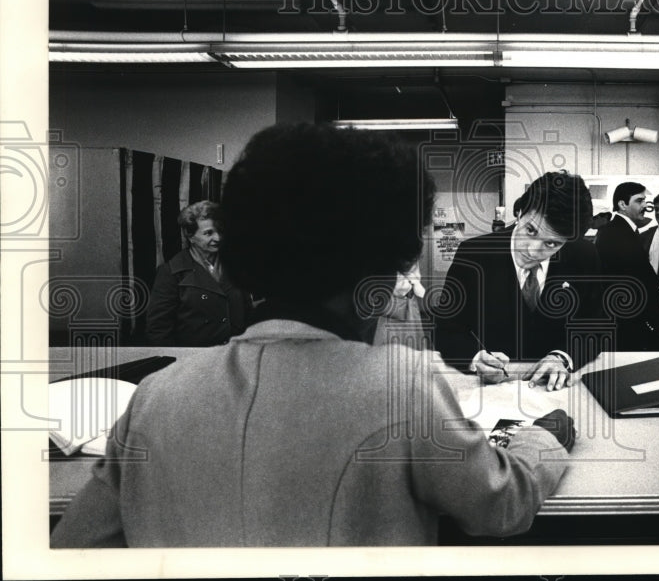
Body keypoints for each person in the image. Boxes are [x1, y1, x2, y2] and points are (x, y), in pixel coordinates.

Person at [51, 124, 573, 547]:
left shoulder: (155, 397)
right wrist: (546, 436)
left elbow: (73, 546)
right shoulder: (402, 390)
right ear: (377, 285)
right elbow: (501, 506)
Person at [433, 171, 603, 391]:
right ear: (520, 211)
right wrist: (475, 358)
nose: (532, 251)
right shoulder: (474, 254)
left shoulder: (583, 255)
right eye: (530, 230)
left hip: (558, 387)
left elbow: (596, 327)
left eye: (551, 244)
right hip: (489, 389)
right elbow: (446, 328)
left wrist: (563, 357)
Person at [145, 201, 251, 346]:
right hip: (196, 361)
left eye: (219, 231)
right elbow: (158, 331)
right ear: (190, 236)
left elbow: (248, 315)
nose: (218, 238)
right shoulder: (171, 272)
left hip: (235, 355)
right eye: (208, 233)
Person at [593, 181, 659, 350]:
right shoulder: (619, 234)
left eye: (645, 200)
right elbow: (634, 284)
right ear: (622, 204)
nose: (645, 206)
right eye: (639, 201)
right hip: (626, 324)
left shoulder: (618, 231)